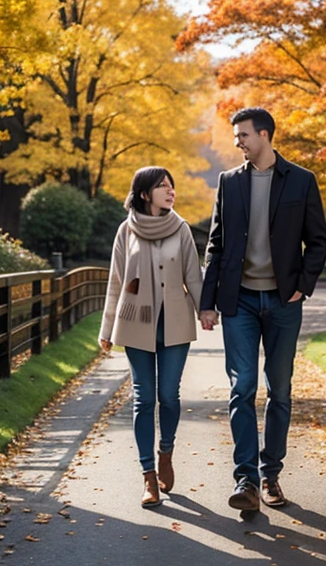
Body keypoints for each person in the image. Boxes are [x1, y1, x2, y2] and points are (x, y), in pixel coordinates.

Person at [199, 107, 326, 512]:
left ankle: (271, 474)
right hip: (238, 303)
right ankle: (246, 481)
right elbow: (216, 245)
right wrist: (207, 302)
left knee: (280, 390)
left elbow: (319, 242)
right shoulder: (228, 182)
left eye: (243, 136)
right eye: (237, 136)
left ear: (265, 135)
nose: (238, 143)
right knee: (242, 389)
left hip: (282, 302)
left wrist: (301, 287)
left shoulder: (302, 180)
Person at [99, 166, 203, 508]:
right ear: (145, 194)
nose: (171, 191)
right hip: (135, 323)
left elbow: (194, 275)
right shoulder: (125, 232)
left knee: (169, 396)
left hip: (174, 323)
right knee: (143, 399)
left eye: (172, 186)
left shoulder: (182, 229)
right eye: (163, 187)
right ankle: (148, 477)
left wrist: (207, 310)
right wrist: (106, 330)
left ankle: (166, 453)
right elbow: (116, 282)